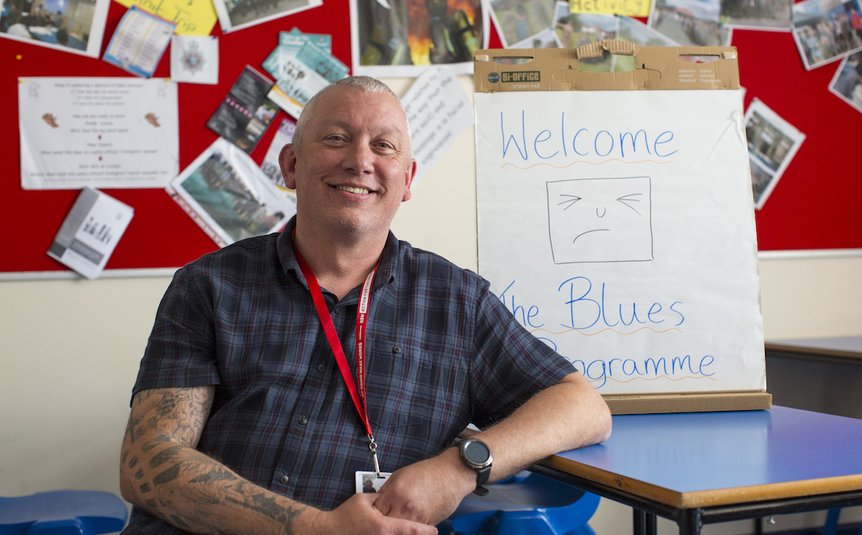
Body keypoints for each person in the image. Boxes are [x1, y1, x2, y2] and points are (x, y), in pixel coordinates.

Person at [119, 75, 612, 535]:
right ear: (290, 164)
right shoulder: (208, 284)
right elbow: (149, 464)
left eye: (384, 146)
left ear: (407, 178)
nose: (360, 160)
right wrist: (316, 529)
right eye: (335, 138)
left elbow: (582, 406)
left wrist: (459, 468)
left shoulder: (457, 302)